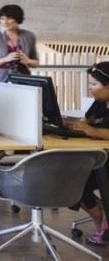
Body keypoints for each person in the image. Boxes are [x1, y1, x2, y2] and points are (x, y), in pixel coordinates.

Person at [64, 62, 109, 246]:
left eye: (94, 84)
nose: (90, 88)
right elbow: (86, 121)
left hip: (104, 161)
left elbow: (93, 129)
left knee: (73, 182)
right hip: (98, 157)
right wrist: (69, 124)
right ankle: (104, 216)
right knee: (67, 178)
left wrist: (92, 131)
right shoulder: (100, 103)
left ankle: (101, 221)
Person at [0, 4, 39, 82]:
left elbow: (36, 63)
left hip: (24, 79)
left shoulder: (29, 36)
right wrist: (5, 59)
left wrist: (28, 60)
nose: (5, 22)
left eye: (9, 18)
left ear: (17, 19)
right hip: (0, 80)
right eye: (2, 18)